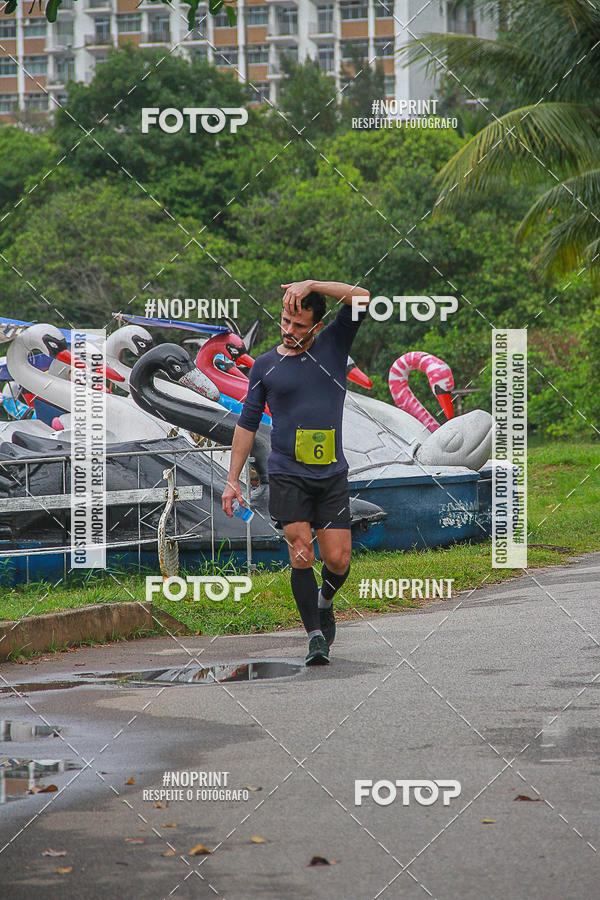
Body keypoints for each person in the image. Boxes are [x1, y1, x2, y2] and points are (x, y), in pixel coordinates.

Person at [222, 279, 370, 665]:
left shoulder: (336, 345)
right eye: (285, 321)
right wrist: (232, 479)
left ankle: (324, 602)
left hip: (331, 474)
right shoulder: (266, 366)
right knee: (302, 552)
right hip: (287, 474)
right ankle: (315, 637)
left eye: (300, 325)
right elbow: (247, 423)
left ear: (317, 326)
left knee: (338, 560)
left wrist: (315, 284)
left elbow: (362, 297)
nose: (289, 331)